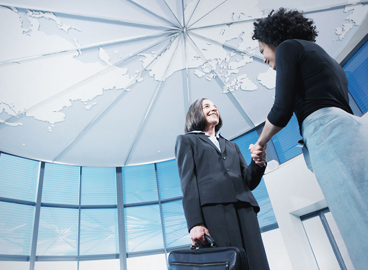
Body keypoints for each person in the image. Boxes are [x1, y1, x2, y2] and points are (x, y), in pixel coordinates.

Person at [250, 8, 368, 269]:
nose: (265, 58)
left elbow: (282, 109)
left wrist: (260, 143)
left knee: (355, 219)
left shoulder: (287, 48)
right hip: (352, 131)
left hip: (328, 134)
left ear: (272, 38)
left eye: (262, 51)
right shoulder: (325, 58)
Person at [175, 98, 269, 270]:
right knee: (226, 262)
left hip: (245, 208)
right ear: (196, 113)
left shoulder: (232, 145)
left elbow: (248, 181)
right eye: (207, 106)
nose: (213, 109)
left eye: (215, 106)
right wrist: (195, 223)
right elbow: (188, 183)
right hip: (214, 211)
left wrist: (258, 163)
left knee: (256, 262)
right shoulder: (187, 141)